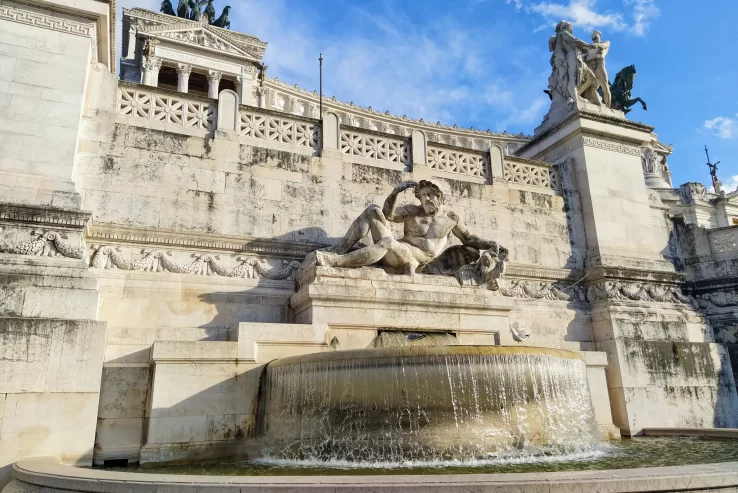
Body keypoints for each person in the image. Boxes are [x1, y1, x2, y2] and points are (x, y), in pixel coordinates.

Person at [314, 180, 506, 275]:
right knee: (373, 211)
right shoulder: (413, 211)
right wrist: (396, 191)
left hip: (415, 259)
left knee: (388, 242)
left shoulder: (451, 217)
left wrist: (491, 243)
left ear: (440, 197)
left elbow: (468, 239)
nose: (427, 199)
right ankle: (339, 249)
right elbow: (389, 215)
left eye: (431, 194)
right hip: (399, 250)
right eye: (423, 195)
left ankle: (336, 261)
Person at [582, 30, 612, 107]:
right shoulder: (589, 47)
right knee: (591, 86)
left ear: (599, 34)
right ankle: (579, 95)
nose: (593, 35)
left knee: (605, 88)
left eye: (595, 33)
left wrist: (595, 46)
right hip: (590, 66)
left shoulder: (605, 42)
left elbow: (603, 46)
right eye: (592, 34)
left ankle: (608, 107)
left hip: (599, 66)